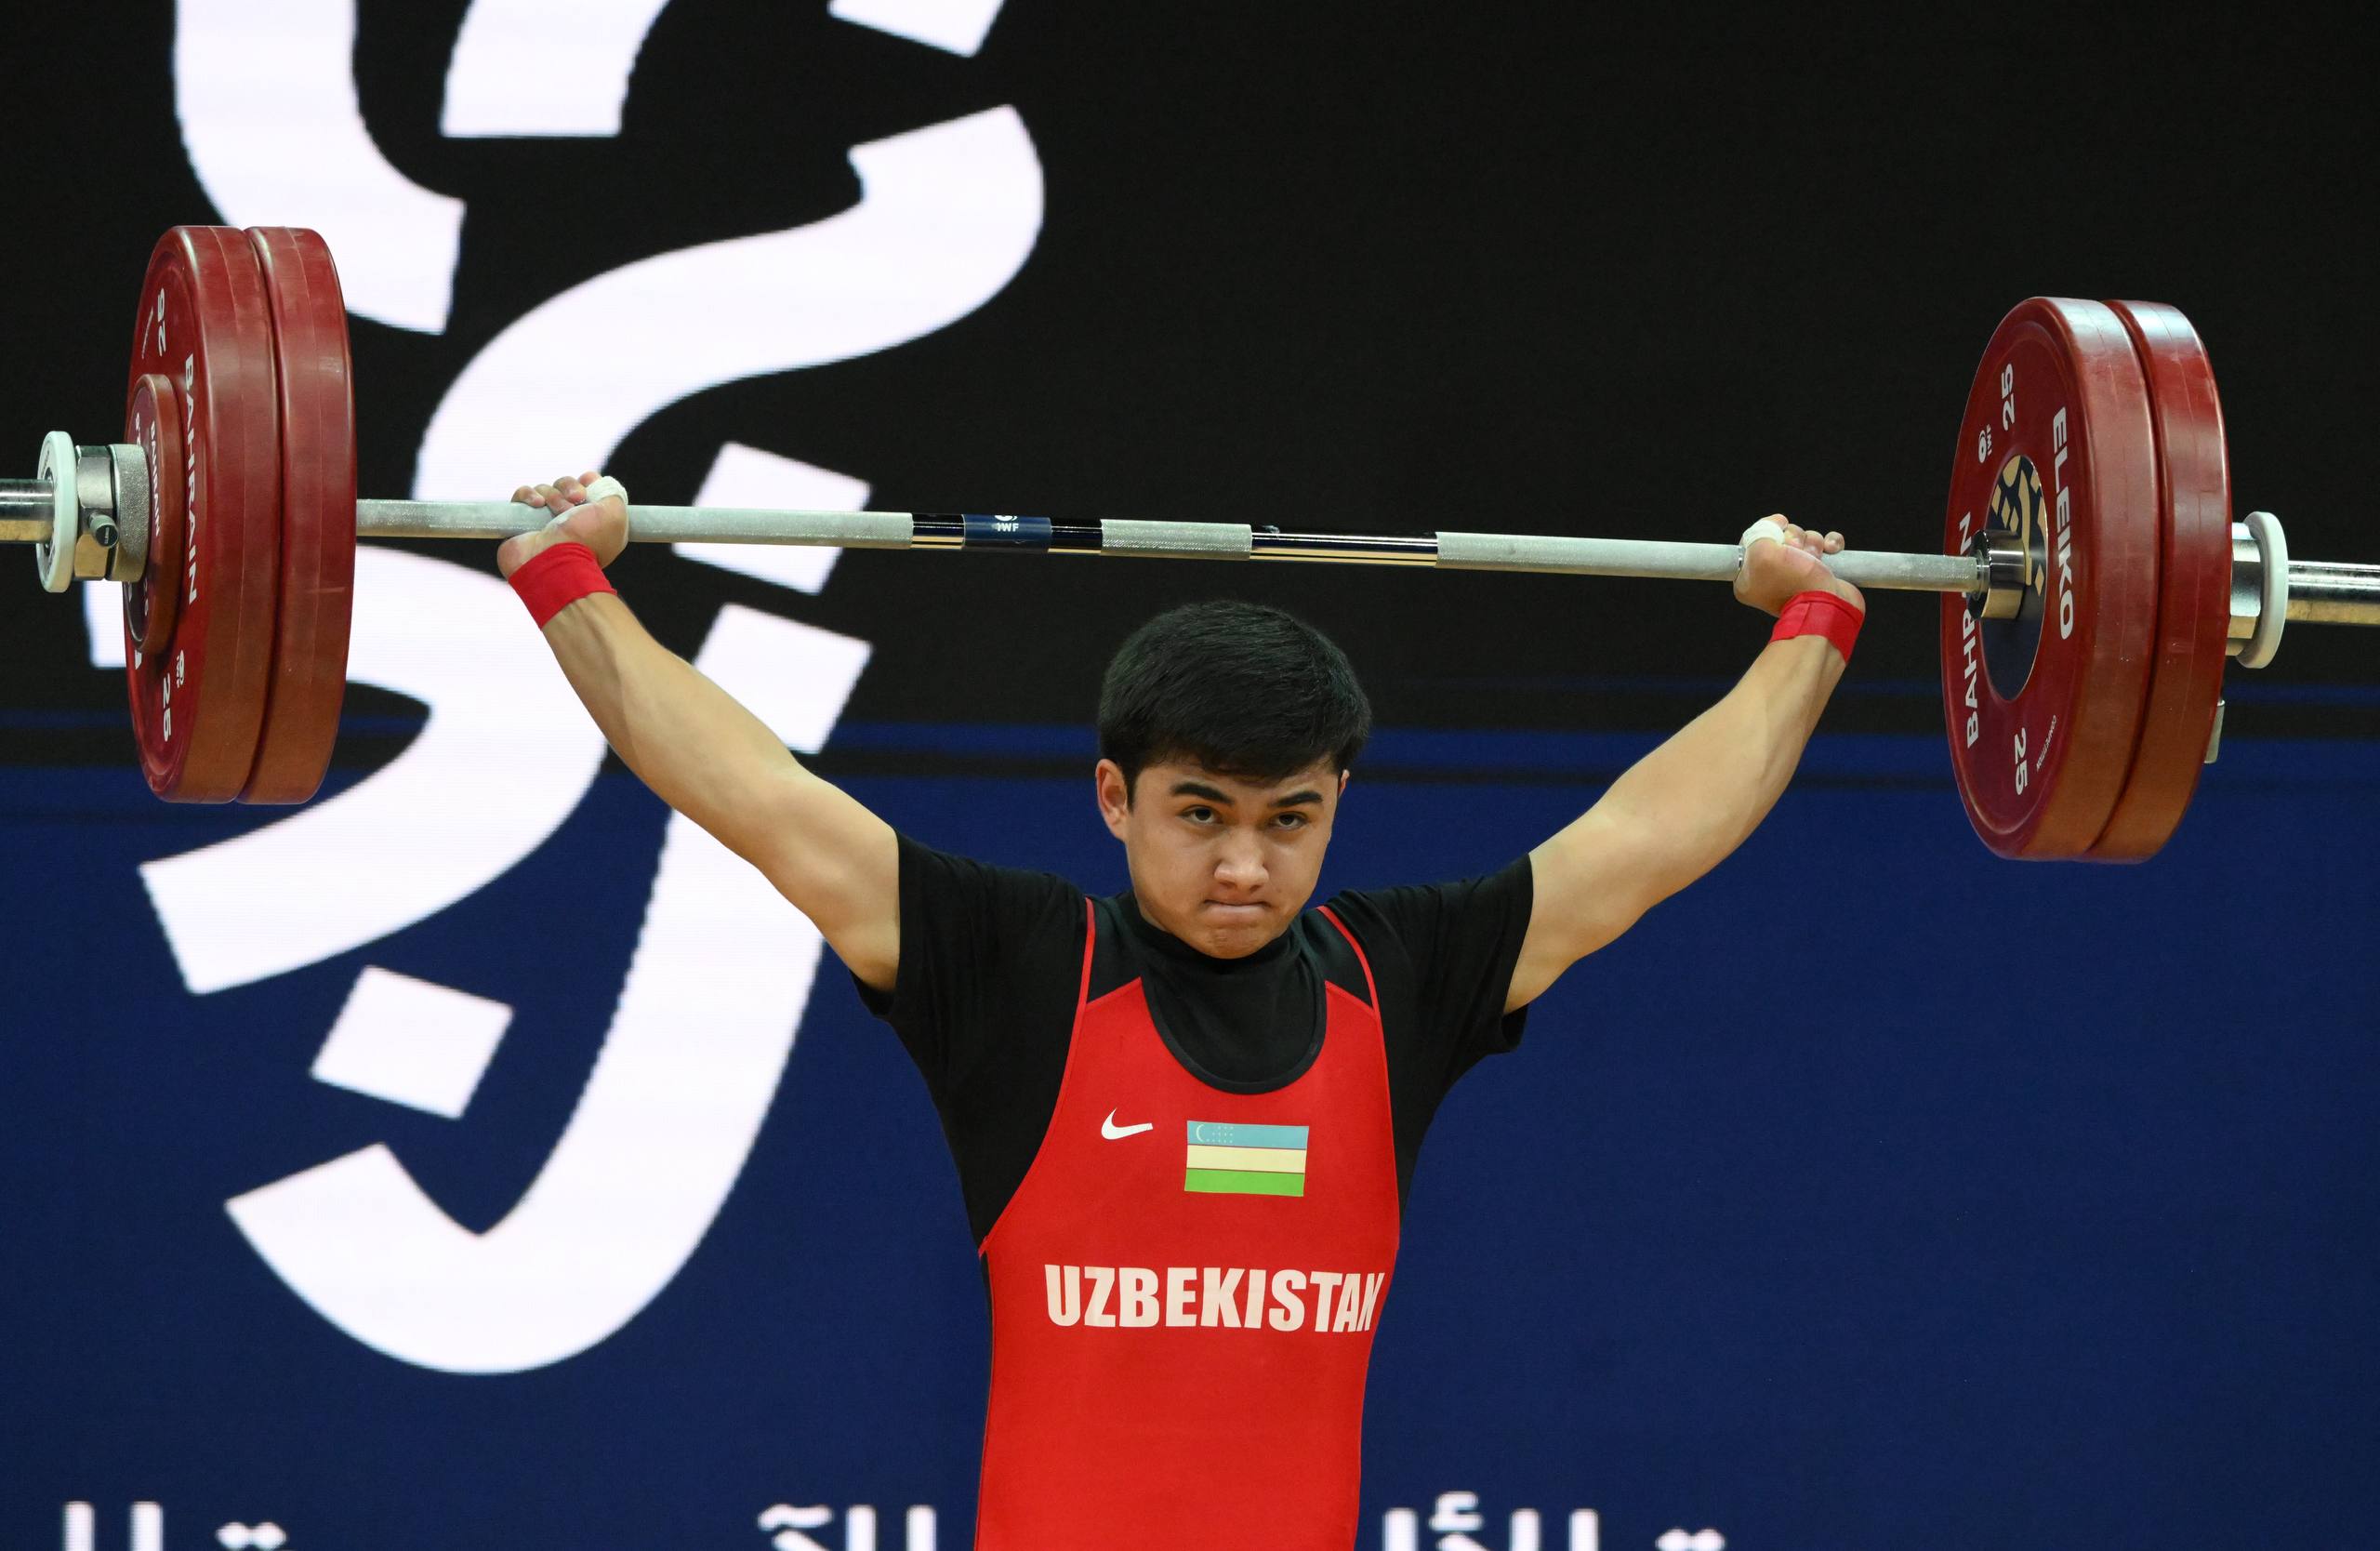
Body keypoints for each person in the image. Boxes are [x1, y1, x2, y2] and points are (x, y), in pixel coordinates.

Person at [499, 472, 1862, 1550]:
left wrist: (1812, 622)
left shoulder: (1399, 978)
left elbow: (1649, 838)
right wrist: (566, 579)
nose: (1244, 866)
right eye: (1200, 815)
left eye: (1290, 819)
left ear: (1339, 804)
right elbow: (756, 797)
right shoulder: (1020, 969)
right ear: (1116, 798)